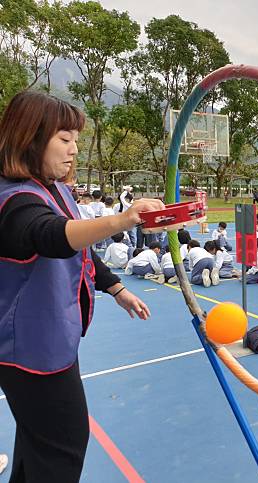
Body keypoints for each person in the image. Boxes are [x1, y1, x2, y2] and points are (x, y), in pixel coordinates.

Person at [0, 90, 160, 481]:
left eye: (76, 139)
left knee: (38, 444)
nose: (74, 149)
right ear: (30, 138)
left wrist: (115, 288)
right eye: (64, 139)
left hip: (50, 340)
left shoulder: (49, 187)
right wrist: (124, 220)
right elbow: (53, 236)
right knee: (61, 450)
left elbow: (79, 247)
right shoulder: (14, 199)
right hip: (32, 352)